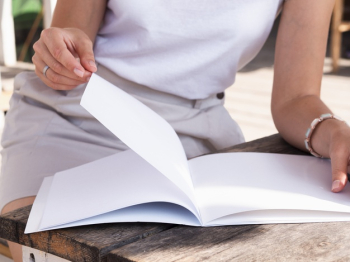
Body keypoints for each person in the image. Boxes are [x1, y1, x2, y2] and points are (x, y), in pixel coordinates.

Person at [1, 0, 350, 261]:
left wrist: (331, 130)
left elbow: (297, 98)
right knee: (49, 250)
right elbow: (65, 43)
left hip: (196, 137)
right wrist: (58, 55)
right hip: (80, 110)